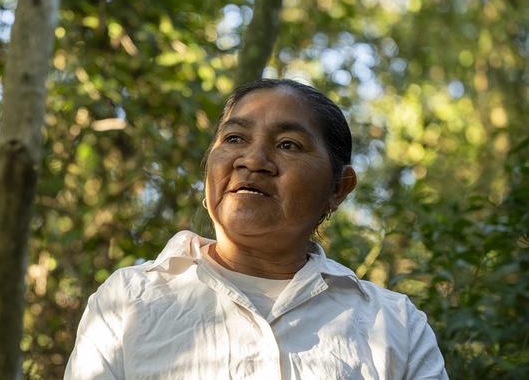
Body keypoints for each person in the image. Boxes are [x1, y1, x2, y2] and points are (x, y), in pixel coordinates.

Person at [64, 79, 448, 379]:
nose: (254, 160)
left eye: (288, 145)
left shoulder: (395, 325)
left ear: (338, 188)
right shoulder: (128, 301)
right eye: (234, 139)